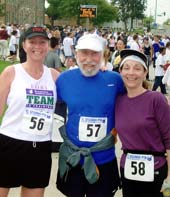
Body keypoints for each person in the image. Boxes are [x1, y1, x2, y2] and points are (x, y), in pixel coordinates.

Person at [56, 33, 124, 197]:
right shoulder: (64, 79)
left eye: (94, 53)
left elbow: (133, 103)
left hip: (104, 158)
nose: (89, 58)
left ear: (102, 55)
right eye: (84, 53)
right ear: (76, 53)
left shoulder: (114, 80)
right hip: (74, 158)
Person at [0, 26, 60, 197]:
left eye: (42, 42)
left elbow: (79, 87)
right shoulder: (11, 72)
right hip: (9, 143)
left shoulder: (55, 76)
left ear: (48, 46)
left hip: (40, 148)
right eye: (32, 42)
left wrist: (100, 70)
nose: (37, 46)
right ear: (24, 45)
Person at [115, 49, 170, 197]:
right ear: (120, 72)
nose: (131, 73)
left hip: (155, 169)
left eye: (137, 68)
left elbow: (169, 139)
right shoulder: (118, 100)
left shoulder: (156, 99)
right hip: (127, 169)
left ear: (145, 73)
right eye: (126, 68)